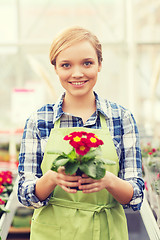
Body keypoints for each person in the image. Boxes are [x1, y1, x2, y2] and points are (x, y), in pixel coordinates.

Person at [18, 26, 144, 240]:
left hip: (107, 231)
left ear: (100, 64)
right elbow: (25, 194)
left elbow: (135, 196)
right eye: (66, 65)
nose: (77, 73)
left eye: (87, 63)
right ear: (56, 68)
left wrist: (108, 181)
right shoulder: (38, 120)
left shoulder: (121, 118)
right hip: (53, 232)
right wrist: (51, 178)